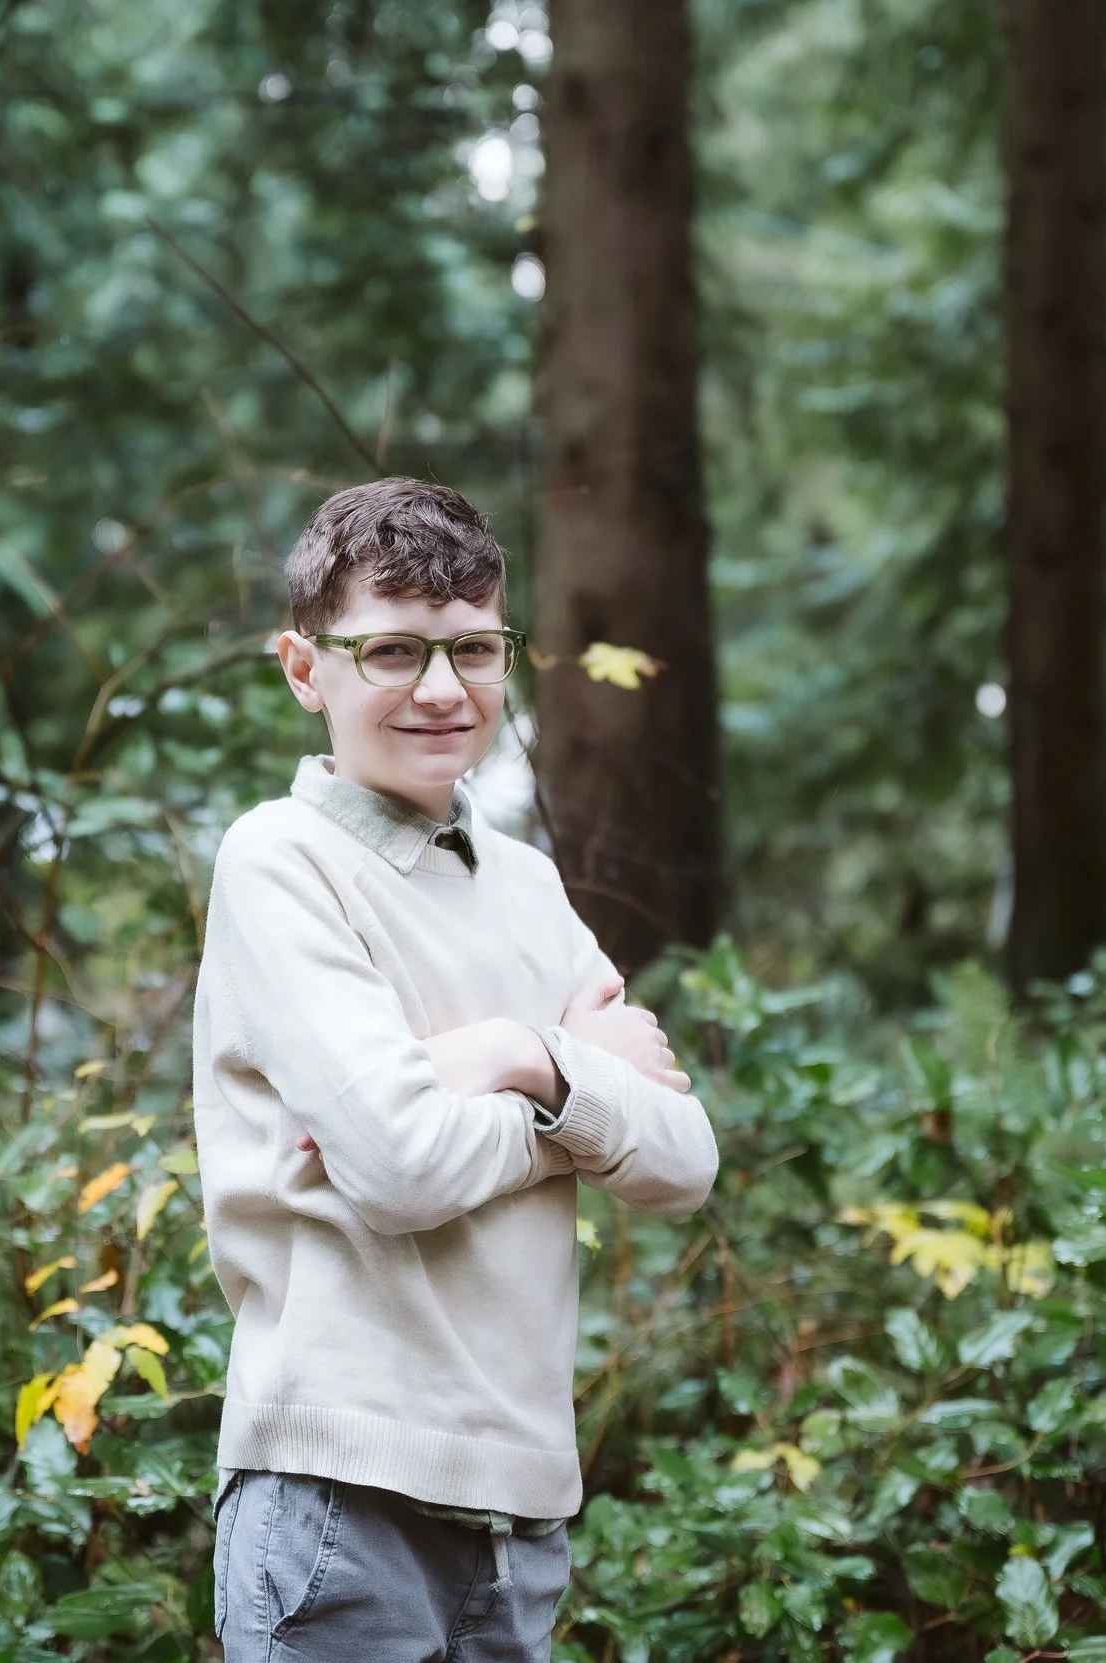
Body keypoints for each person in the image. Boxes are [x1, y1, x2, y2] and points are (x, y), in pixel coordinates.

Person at [193, 477, 719, 1662]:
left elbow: (684, 1160)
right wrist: (575, 1082)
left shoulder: (527, 885)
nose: (442, 691)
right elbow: (399, 1167)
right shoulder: (281, 859)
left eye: (472, 649)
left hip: (521, 1514)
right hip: (336, 1487)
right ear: (302, 666)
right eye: (392, 652)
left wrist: (517, 1055)